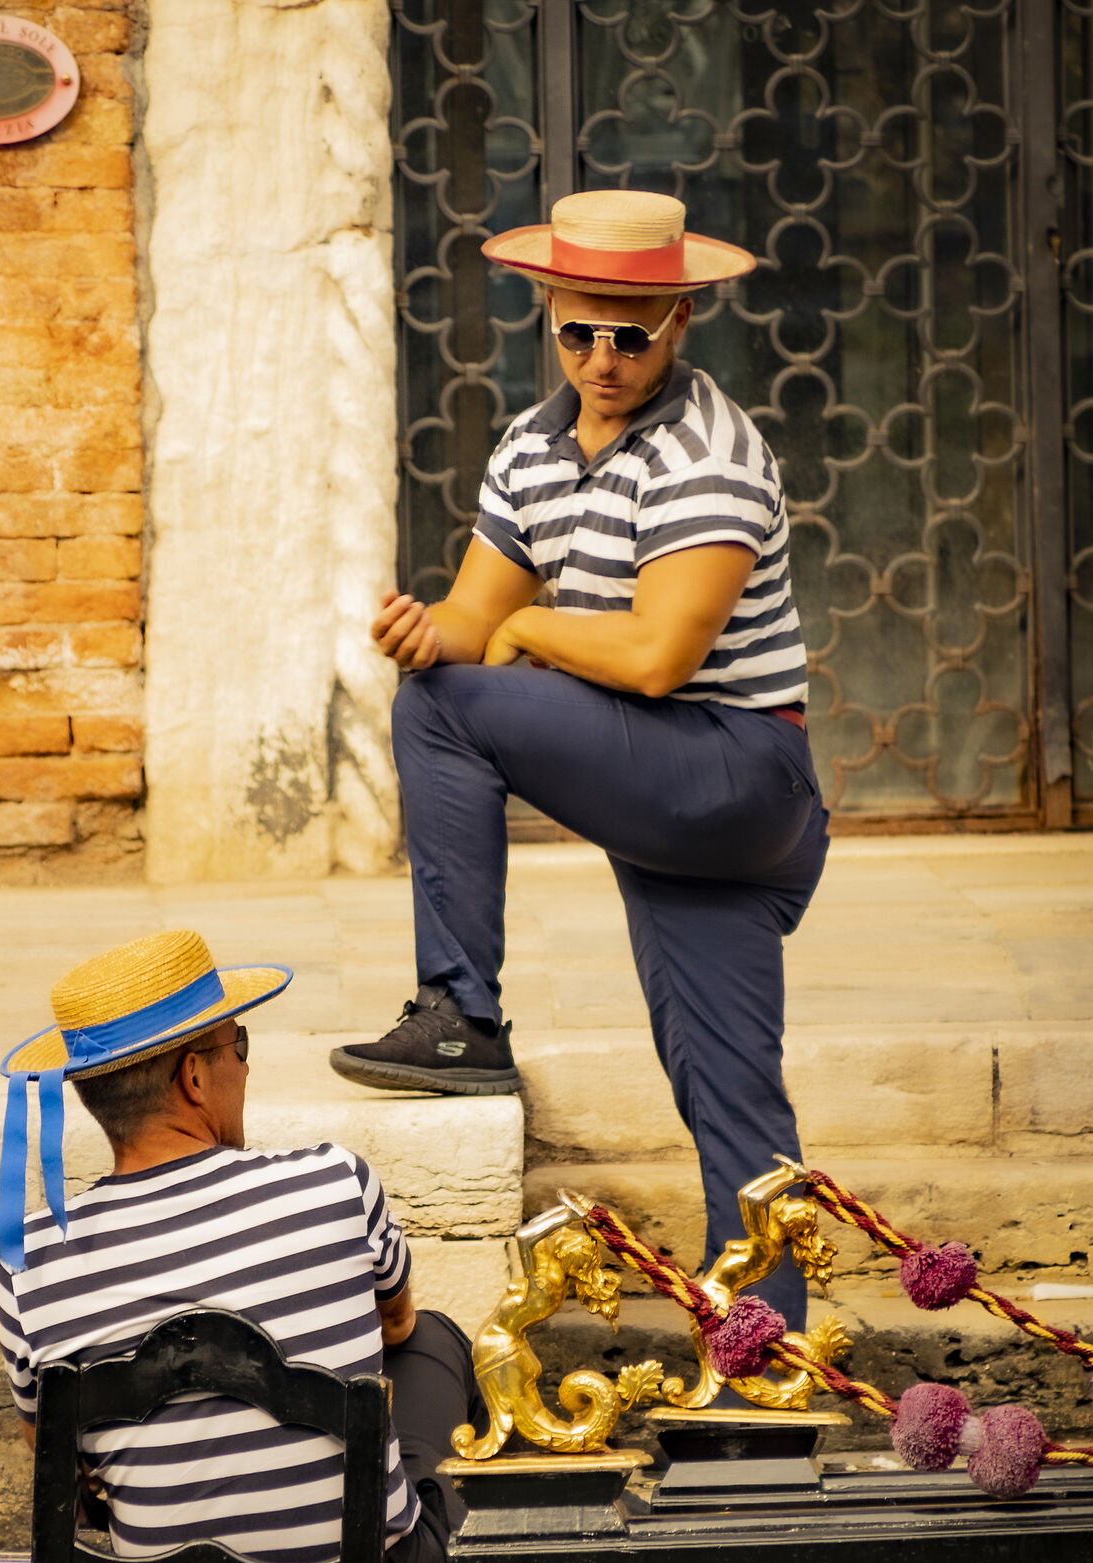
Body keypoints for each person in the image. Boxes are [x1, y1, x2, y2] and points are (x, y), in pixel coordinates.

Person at [332, 190, 829, 1328]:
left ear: (680, 318)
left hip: (733, 770)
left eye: (630, 334)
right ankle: (766, 1360)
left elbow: (657, 657)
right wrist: (430, 632)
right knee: (727, 1093)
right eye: (577, 331)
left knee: (447, 709)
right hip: (665, 785)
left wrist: (512, 641)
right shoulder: (530, 448)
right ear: (547, 312)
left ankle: (460, 1015)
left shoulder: (710, 453)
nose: (601, 358)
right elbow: (473, 620)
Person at [0, 927, 483, 1563]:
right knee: (434, 1337)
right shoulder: (334, 1182)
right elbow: (395, 1328)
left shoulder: (30, 1259)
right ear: (195, 1076)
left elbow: (53, 1456)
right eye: (238, 1047)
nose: (244, 1068)